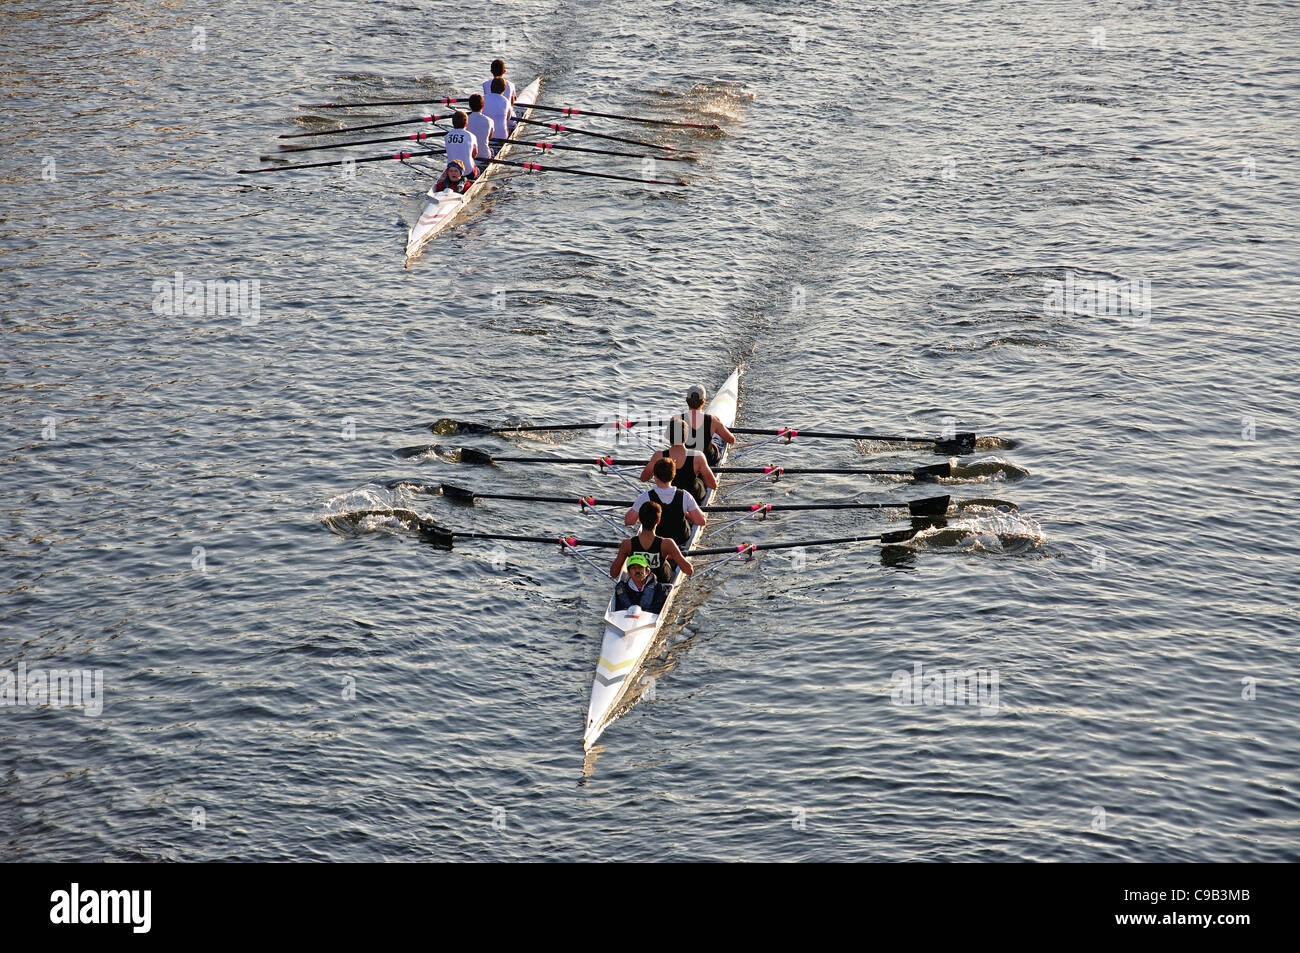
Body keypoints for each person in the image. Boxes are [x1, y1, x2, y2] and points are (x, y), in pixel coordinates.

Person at [623, 459, 705, 547]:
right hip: (680, 539)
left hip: (656, 542)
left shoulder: (646, 497)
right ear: (673, 475)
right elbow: (701, 521)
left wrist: (642, 515)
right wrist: (686, 514)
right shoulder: (685, 495)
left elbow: (628, 521)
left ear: (655, 476)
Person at [611, 500, 692, 587]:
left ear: (640, 520)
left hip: (638, 579)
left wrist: (626, 554)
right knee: (670, 564)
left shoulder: (627, 544)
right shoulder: (667, 544)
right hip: (661, 582)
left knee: (633, 567)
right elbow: (689, 570)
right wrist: (672, 554)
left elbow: (613, 573)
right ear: (658, 521)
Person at [640, 417, 717, 504]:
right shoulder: (698, 456)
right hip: (693, 496)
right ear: (686, 436)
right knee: (701, 478)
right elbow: (713, 485)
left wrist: (655, 472)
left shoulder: (658, 456)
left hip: (668, 497)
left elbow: (643, 478)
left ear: (668, 436)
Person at [680, 383, 734, 467]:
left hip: (685, 460)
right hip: (708, 460)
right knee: (718, 439)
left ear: (687, 400)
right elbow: (731, 440)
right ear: (704, 401)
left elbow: (672, 444)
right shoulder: (713, 420)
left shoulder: (677, 420)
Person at [441, 112, 480, 184]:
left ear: (453, 123)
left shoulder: (447, 136)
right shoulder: (471, 136)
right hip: (468, 173)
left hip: (450, 171)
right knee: (478, 169)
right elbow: (474, 154)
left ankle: (449, 182)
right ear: (466, 124)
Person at [465, 94, 496, 171]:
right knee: (492, 150)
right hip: (484, 157)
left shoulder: (465, 121)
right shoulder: (490, 121)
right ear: (483, 107)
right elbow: (490, 137)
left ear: (470, 107)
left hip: (468, 158)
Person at [483, 77, 515, 143]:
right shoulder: (506, 101)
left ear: (491, 87)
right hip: (501, 138)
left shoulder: (482, 99)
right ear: (503, 90)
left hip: (485, 136)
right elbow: (509, 119)